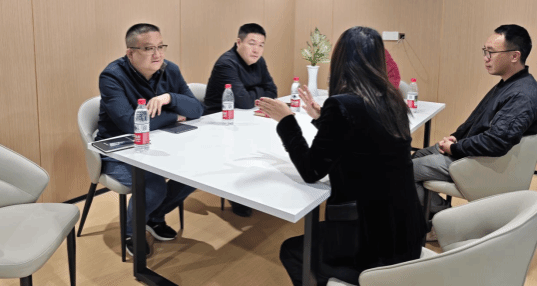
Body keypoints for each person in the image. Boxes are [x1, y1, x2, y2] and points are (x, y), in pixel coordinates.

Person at [257, 26, 425, 286]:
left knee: (293, 251)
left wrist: (286, 120)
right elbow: (363, 139)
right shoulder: (393, 101)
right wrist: (322, 118)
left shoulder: (343, 105)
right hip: (407, 234)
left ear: (341, 61)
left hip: (371, 246)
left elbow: (311, 170)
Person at [412, 24, 537, 234]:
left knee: (405, 170)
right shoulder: (509, 83)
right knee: (418, 155)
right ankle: (437, 218)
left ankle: (444, 223)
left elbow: (496, 142)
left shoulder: (521, 94)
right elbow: (476, 121)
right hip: (470, 152)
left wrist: (455, 148)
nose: (486, 58)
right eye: (485, 51)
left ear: (514, 56)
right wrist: (455, 137)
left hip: (480, 162)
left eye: (491, 52)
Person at [97, 23, 203, 257]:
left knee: (195, 173)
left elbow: (197, 109)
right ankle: (132, 231)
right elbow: (130, 124)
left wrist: (169, 98)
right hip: (118, 151)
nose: (157, 54)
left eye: (160, 46)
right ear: (130, 53)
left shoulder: (170, 70)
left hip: (159, 144)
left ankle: (153, 216)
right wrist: (174, 115)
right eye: (148, 48)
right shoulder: (112, 76)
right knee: (153, 186)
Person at [203, 23, 278, 217]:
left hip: (245, 118)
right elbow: (243, 101)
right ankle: (236, 192)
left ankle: (251, 187)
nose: (256, 50)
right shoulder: (226, 63)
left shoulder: (259, 61)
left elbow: (273, 91)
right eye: (252, 43)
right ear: (238, 42)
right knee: (251, 141)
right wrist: (258, 91)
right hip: (219, 121)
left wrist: (251, 93)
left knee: (271, 135)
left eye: (261, 45)